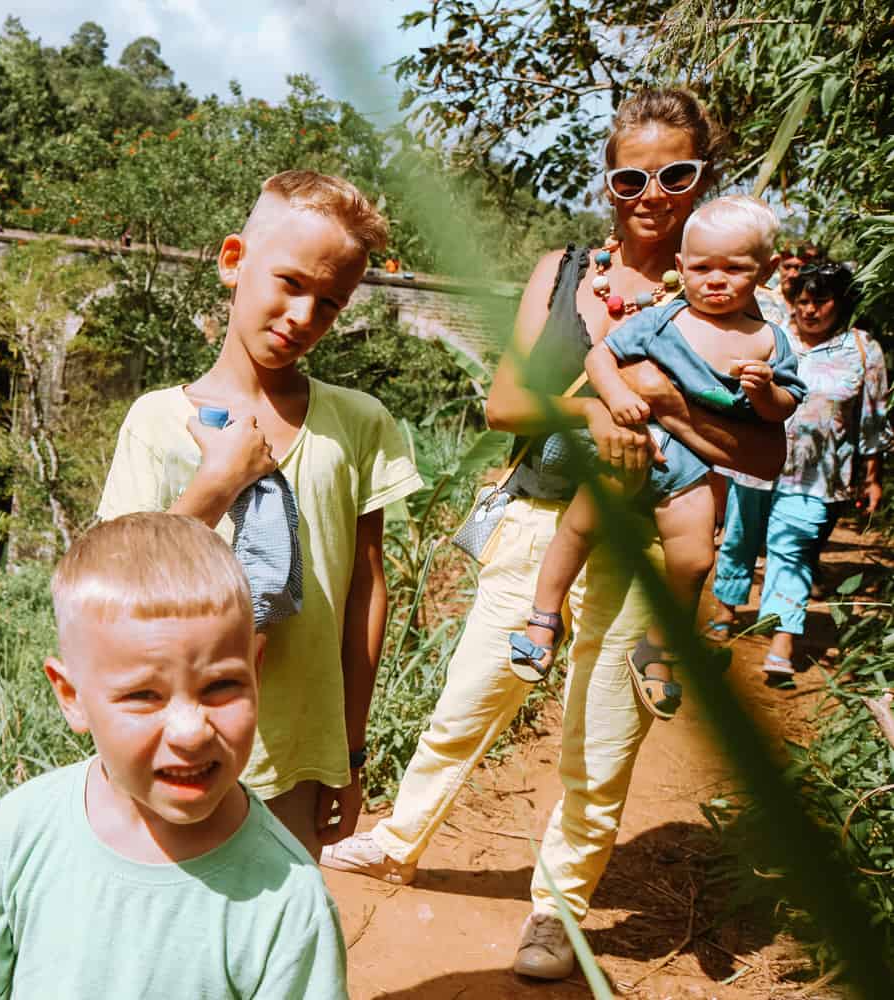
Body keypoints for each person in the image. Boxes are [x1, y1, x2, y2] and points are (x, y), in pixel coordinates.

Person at [319, 88, 788, 980]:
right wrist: (602, 407)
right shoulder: (565, 269)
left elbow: (768, 449)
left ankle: (557, 912)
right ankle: (401, 837)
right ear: (609, 182)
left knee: (600, 741)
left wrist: (655, 399)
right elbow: (503, 404)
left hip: (650, 541)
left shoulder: (735, 300)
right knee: (469, 699)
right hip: (542, 517)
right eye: (631, 175)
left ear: (704, 180)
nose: (652, 192)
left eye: (676, 173)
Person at [96, 170, 422, 858]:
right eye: (291, 283)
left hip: (299, 752)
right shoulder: (155, 422)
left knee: (277, 932)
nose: (304, 317)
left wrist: (352, 752)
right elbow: (113, 591)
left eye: (329, 304)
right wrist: (216, 484)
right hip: (170, 745)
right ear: (233, 260)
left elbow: (365, 589)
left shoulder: (357, 425)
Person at [0, 513, 348, 999]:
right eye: (144, 695)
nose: (191, 732)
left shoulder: (288, 901)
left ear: (256, 671)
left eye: (221, 686)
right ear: (72, 696)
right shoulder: (20, 832)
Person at [511, 196, 804, 719]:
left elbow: (785, 405)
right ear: (681, 269)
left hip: (690, 469)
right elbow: (601, 356)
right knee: (579, 527)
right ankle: (542, 616)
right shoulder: (666, 318)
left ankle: (658, 647)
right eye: (702, 268)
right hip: (630, 448)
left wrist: (763, 394)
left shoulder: (767, 341)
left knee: (695, 560)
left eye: (734, 269)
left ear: (766, 271)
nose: (716, 280)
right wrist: (618, 398)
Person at [708, 261, 889, 677]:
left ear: (840, 304)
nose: (809, 310)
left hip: (817, 476)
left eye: (820, 301)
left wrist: (872, 474)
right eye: (803, 301)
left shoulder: (862, 349)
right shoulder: (773, 332)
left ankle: (783, 641)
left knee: (792, 551)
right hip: (754, 462)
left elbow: (873, 418)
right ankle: (724, 611)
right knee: (739, 538)